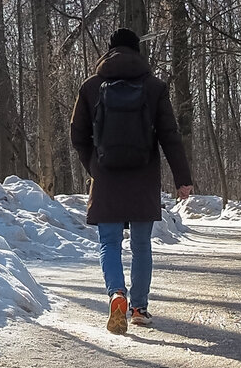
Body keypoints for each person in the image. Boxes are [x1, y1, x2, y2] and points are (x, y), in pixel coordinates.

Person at [69, 28, 194, 335]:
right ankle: (139, 308)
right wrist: (183, 179)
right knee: (141, 246)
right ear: (137, 51)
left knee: (109, 244)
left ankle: (116, 294)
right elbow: (170, 136)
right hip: (142, 177)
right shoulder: (154, 86)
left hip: (107, 177)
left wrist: (94, 166)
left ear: (109, 51)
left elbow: (77, 134)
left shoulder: (91, 86)